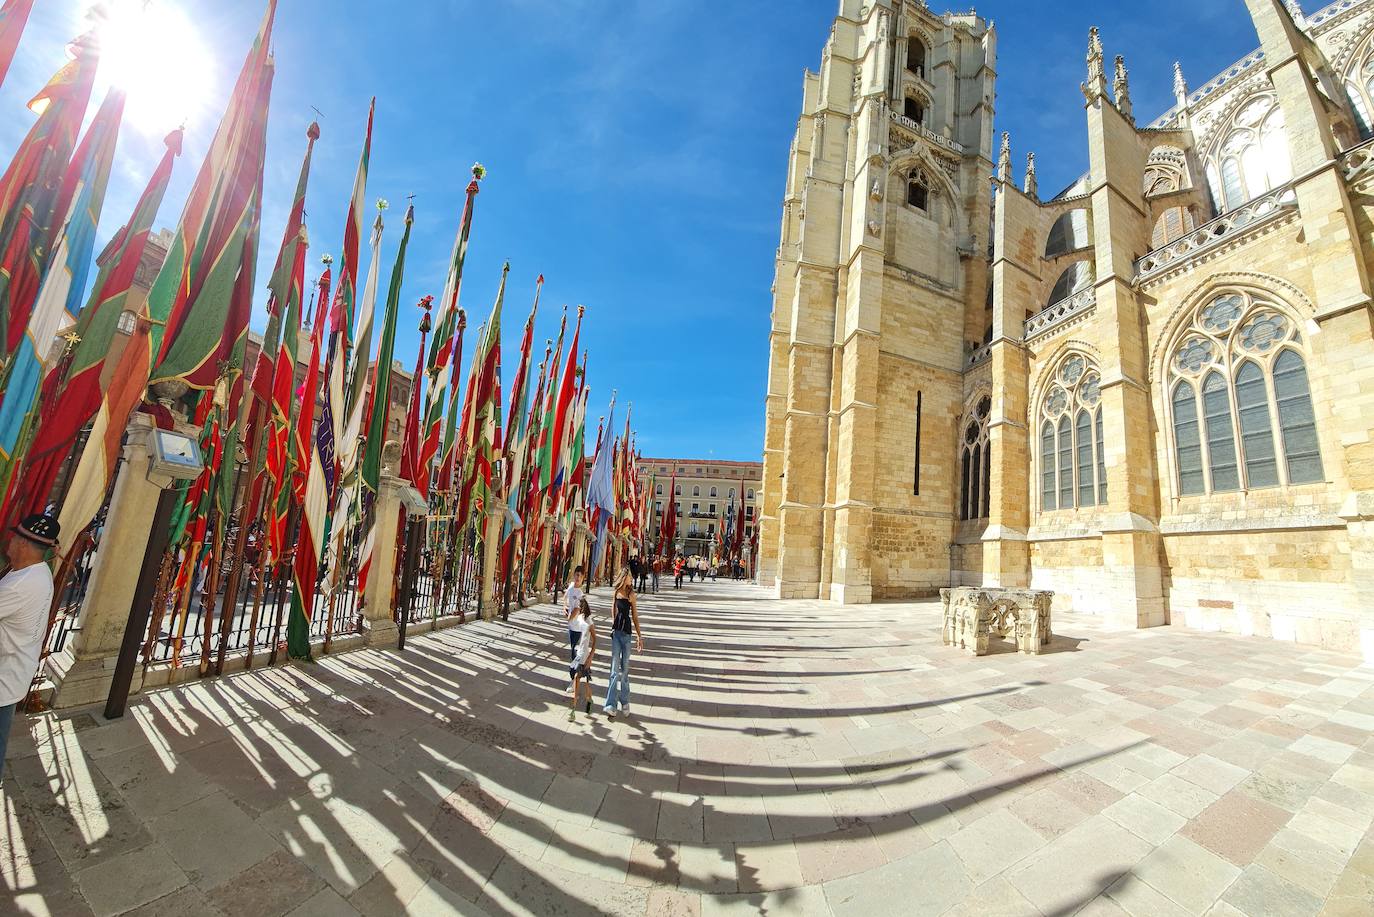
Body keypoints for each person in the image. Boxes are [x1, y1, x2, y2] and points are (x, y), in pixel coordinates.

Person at [0, 514, 58, 782]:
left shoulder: (19, 585)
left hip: (5, 674)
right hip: (15, 670)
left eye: (14, 538)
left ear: (23, 544)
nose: (8, 542)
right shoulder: (38, 571)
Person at [603, 570, 643, 719]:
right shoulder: (616, 592)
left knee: (625, 670)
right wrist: (613, 624)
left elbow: (635, 616)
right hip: (616, 634)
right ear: (624, 577)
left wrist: (639, 636)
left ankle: (625, 701)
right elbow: (613, 607)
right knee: (614, 670)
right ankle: (610, 704)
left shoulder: (632, 595)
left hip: (626, 635)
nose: (632, 579)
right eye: (630, 576)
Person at [568, 597, 597, 721]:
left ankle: (576, 708)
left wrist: (591, 657)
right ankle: (583, 703)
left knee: (581, 680)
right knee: (581, 681)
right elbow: (573, 625)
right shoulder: (580, 618)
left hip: (585, 655)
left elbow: (595, 640)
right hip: (580, 654)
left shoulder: (589, 621)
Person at [564, 565, 586, 693]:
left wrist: (569, 618)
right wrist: (564, 608)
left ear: (583, 578)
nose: (578, 578)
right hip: (571, 627)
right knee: (573, 651)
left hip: (578, 628)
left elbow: (577, 609)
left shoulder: (580, 594)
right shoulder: (571, 587)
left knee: (574, 652)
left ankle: (574, 679)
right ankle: (576, 675)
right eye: (576, 575)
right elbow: (565, 599)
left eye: (580, 576)